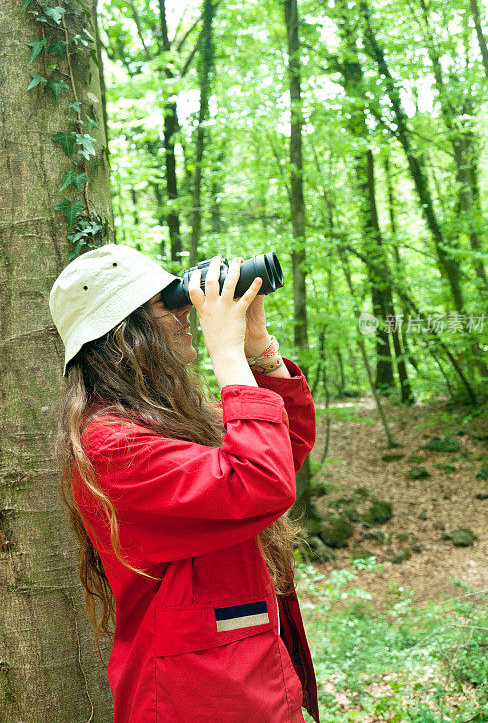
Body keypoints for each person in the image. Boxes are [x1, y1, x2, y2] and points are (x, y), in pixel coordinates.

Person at [49, 243, 319, 723]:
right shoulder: (111, 445)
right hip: (194, 696)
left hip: (252, 677)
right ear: (125, 335)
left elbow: (285, 447)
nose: (187, 312)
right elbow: (260, 481)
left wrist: (259, 351)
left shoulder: (164, 422)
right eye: (169, 303)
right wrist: (225, 352)